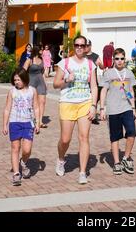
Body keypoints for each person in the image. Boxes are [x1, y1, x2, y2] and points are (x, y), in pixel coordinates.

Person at [53, 35, 98, 184]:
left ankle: (83, 172)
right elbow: (55, 84)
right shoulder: (65, 63)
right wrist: (67, 79)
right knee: (65, 139)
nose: (79, 47)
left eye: (82, 45)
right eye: (77, 45)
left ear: (86, 47)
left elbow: (94, 86)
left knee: (84, 137)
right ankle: (61, 159)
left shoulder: (90, 64)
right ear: (74, 46)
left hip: (85, 102)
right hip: (67, 102)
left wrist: (94, 105)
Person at [100, 48, 136, 175]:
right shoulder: (108, 73)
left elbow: (130, 91)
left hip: (126, 107)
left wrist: (133, 107)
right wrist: (102, 108)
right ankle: (116, 162)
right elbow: (103, 91)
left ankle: (126, 158)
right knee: (115, 136)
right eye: (117, 59)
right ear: (113, 60)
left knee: (131, 132)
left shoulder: (129, 73)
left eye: (122, 58)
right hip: (113, 109)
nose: (119, 61)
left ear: (125, 59)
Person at [2, 67, 40, 186]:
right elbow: (7, 109)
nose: (16, 82)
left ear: (25, 79)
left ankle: (23, 162)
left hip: (28, 123)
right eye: (15, 80)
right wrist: (5, 124)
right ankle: (16, 174)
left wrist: (38, 122)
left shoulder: (32, 91)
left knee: (27, 149)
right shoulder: (12, 91)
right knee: (15, 148)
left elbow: (36, 107)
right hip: (14, 122)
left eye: (18, 80)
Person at [24, 45, 48, 128]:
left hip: (40, 81)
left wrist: (45, 83)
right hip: (31, 81)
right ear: (37, 50)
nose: (43, 51)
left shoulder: (41, 60)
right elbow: (23, 72)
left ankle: (40, 121)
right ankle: (29, 119)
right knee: (32, 102)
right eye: (41, 49)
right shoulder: (29, 60)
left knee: (42, 101)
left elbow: (43, 73)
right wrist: (24, 83)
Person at [85, 39, 105, 125]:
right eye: (84, 45)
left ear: (90, 46)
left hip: (93, 81)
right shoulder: (81, 55)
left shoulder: (95, 56)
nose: (86, 47)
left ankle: (93, 116)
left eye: (87, 45)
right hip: (84, 81)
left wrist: (100, 64)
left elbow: (102, 66)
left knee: (95, 98)